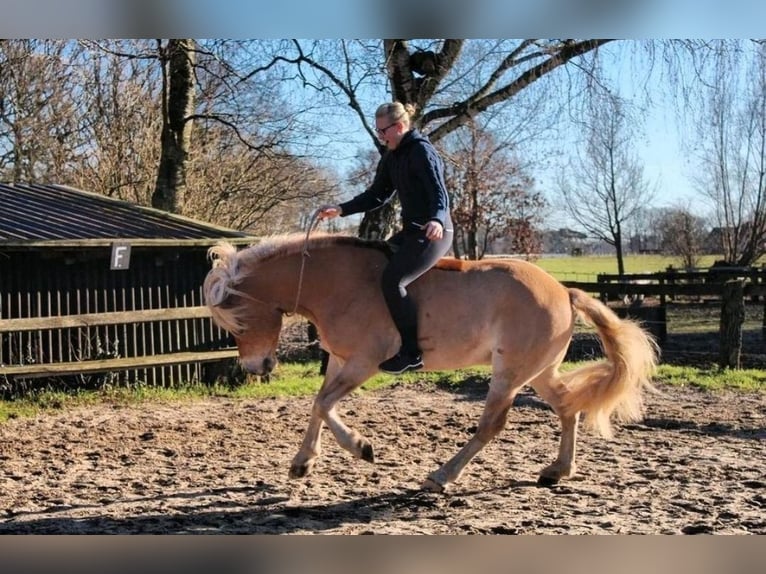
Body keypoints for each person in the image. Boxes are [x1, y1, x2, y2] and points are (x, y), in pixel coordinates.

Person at [317, 101, 454, 374]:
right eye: (378, 132)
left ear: (400, 126)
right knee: (375, 263)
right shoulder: (392, 157)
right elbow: (377, 194)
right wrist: (342, 209)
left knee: (393, 279)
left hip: (434, 232)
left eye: (383, 132)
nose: (381, 137)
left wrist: (437, 220)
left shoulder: (422, 152)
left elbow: (441, 195)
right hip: (411, 231)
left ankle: (412, 353)